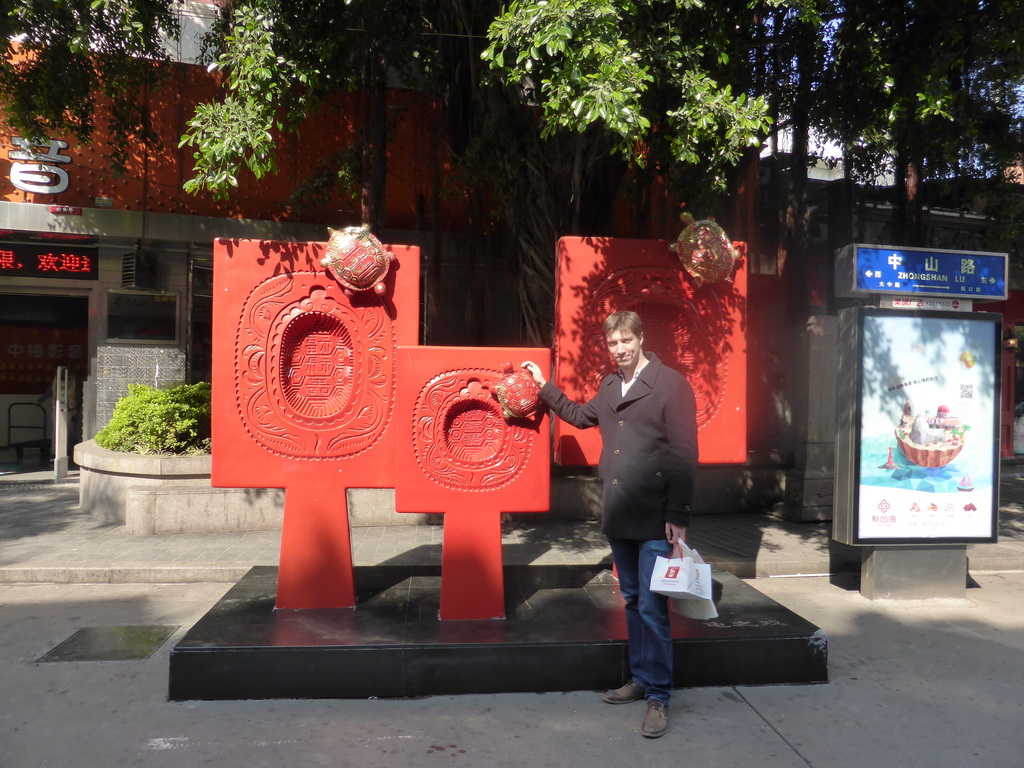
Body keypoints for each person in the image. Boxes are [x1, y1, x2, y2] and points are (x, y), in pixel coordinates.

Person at [521, 310, 698, 739]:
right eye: (612, 343)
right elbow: (581, 417)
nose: (619, 349)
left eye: (625, 341)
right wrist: (543, 387)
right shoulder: (609, 384)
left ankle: (659, 694)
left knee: (654, 607)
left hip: (657, 515)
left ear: (640, 338)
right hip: (619, 511)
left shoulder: (670, 384)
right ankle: (640, 678)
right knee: (634, 599)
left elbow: (684, 455)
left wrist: (678, 515)